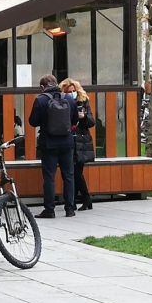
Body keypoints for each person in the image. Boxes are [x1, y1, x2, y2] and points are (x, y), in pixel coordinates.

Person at [28, 74, 78, 218]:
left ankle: (49, 210)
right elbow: (74, 120)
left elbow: (32, 122)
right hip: (67, 143)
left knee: (49, 177)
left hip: (48, 144)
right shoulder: (69, 98)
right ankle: (70, 209)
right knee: (68, 176)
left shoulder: (40, 100)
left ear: (43, 87)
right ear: (56, 83)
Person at [60, 78, 96, 211]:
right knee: (72, 173)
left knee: (76, 172)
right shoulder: (62, 102)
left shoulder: (83, 101)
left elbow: (91, 122)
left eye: (74, 91)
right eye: (69, 91)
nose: (72, 93)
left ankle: (85, 199)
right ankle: (76, 200)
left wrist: (84, 117)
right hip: (70, 140)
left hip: (81, 141)